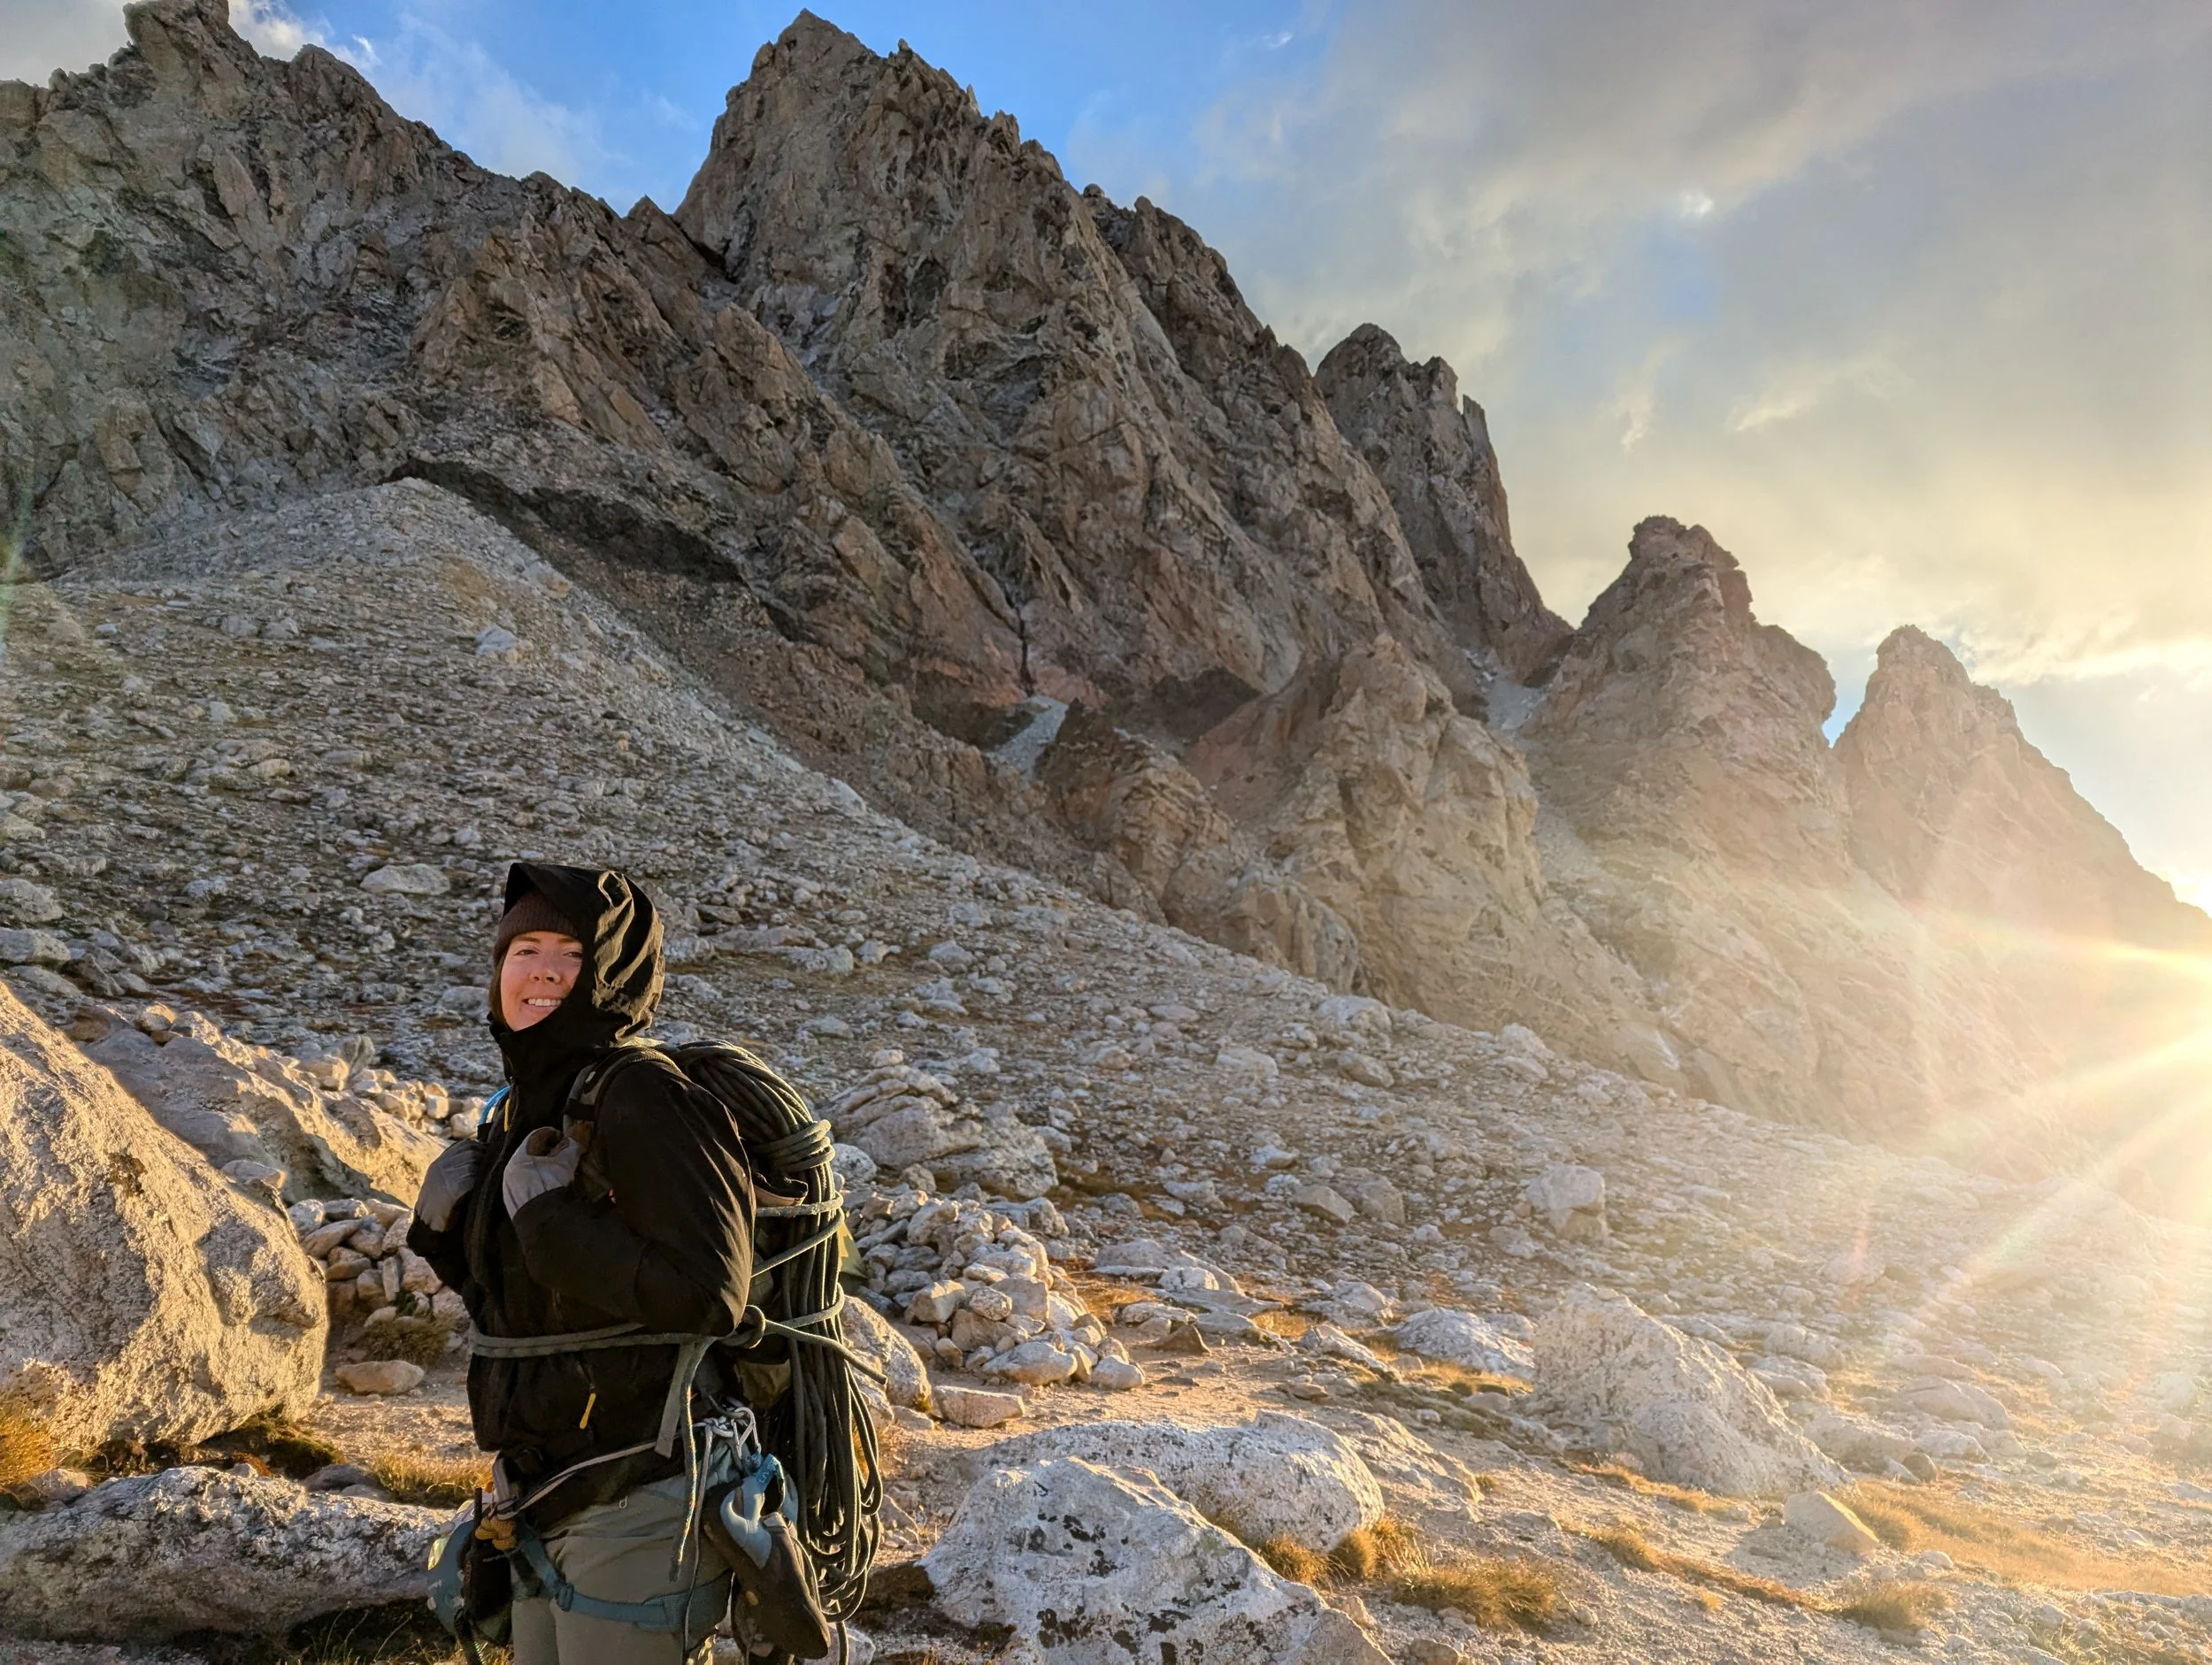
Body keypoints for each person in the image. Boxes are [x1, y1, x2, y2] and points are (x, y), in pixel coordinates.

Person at [411, 861, 756, 1665]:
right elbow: (527, 1305)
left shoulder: (645, 1095)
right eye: (523, 949)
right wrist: (442, 1234)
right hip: (540, 1487)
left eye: (573, 954)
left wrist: (550, 1223)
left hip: (639, 1484)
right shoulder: (522, 1105)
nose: (542, 972)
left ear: (614, 976)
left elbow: (712, 1294)